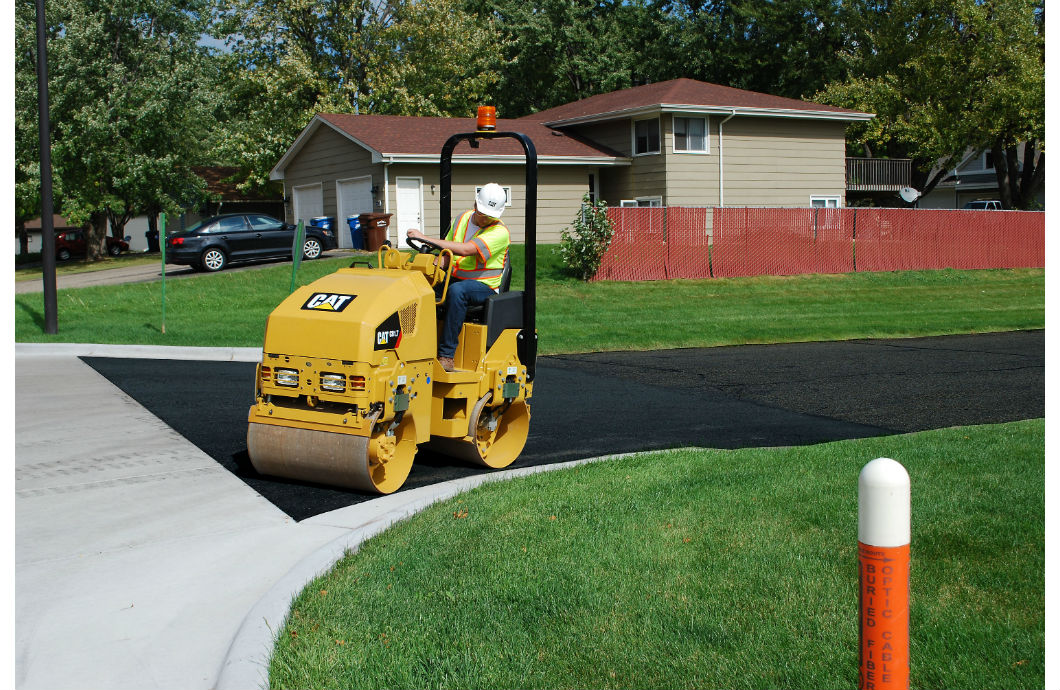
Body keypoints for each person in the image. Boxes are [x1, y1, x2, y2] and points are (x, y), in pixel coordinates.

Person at [406, 182, 510, 372]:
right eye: (483, 214)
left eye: (490, 216)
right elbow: (449, 254)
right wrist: (430, 266)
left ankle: (446, 355)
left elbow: (466, 249)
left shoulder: (499, 232)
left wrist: (425, 238)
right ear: (475, 205)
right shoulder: (462, 219)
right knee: (416, 286)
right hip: (455, 278)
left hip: (484, 287)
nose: (486, 219)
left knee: (457, 291)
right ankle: (413, 346)